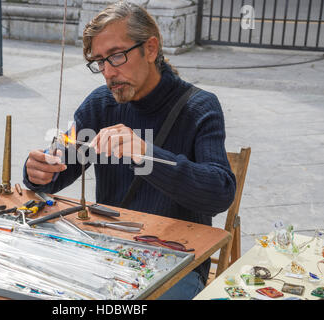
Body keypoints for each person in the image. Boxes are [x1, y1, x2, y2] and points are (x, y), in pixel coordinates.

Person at [23, 1, 236, 299]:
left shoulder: (198, 108)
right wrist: (39, 172)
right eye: (100, 62)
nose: (108, 73)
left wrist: (147, 155)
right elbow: (63, 164)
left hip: (176, 260)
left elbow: (220, 193)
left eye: (117, 56)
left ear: (150, 49)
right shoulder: (101, 105)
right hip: (105, 251)